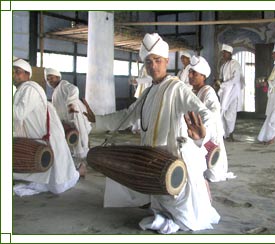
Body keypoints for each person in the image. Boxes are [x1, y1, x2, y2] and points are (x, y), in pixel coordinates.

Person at [83, 33, 220, 234]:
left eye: (157, 60)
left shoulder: (177, 88)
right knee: (158, 199)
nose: (153, 66)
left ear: (166, 61)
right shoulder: (148, 91)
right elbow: (127, 115)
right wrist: (98, 120)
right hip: (152, 158)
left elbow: (204, 112)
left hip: (172, 157)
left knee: (185, 215)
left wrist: (201, 133)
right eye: (148, 61)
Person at [13, 59, 84, 196]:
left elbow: (19, 113)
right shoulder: (22, 90)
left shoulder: (30, 88)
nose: (14, 75)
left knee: (58, 185)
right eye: (13, 72)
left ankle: (80, 171)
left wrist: (71, 105)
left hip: (50, 136)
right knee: (44, 178)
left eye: (18, 72)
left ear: (27, 74)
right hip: (38, 138)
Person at [188, 55, 236, 182]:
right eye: (190, 72)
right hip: (197, 132)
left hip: (210, 132)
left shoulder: (208, 91)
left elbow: (214, 111)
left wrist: (204, 128)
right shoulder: (192, 91)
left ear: (203, 76)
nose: (190, 75)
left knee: (214, 172)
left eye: (194, 73)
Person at [45, 68, 92, 170]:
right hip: (68, 120)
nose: (50, 81)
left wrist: (70, 104)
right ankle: (80, 164)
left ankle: (83, 163)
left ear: (58, 77)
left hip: (75, 116)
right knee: (74, 141)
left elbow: (74, 89)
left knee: (81, 139)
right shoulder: (55, 92)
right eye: (48, 79)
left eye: (52, 78)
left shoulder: (63, 85)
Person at [218, 44, 245, 142]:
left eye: (225, 52)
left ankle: (231, 133)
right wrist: (218, 82)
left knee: (230, 114)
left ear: (230, 53)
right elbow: (221, 78)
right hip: (225, 93)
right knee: (222, 112)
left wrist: (223, 84)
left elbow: (236, 79)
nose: (223, 54)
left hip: (233, 92)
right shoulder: (223, 66)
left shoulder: (235, 64)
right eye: (223, 52)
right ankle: (224, 134)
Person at [257, 44, 275, 145]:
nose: (272, 55)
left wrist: (268, 83)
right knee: (273, 115)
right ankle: (272, 137)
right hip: (274, 93)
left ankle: (273, 137)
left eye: (274, 54)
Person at [129, 65, 152, 133]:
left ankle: (143, 128)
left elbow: (149, 78)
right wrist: (136, 81)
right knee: (138, 110)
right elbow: (142, 78)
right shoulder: (143, 66)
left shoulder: (151, 65)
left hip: (147, 92)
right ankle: (137, 127)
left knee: (145, 111)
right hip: (141, 91)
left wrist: (137, 80)